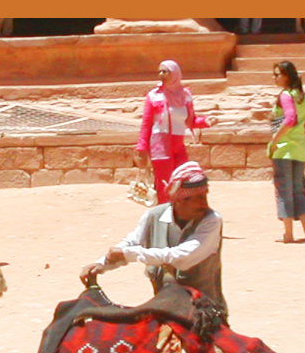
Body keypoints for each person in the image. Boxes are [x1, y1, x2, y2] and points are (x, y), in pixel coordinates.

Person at [80, 161, 226, 315]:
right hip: (166, 309)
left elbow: (182, 258)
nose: (205, 203)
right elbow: (131, 242)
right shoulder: (154, 216)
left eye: (205, 196)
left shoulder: (211, 221)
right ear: (179, 200)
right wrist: (101, 264)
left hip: (205, 313)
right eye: (198, 198)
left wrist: (131, 254)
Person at [135, 60, 212, 204]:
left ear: (175, 73)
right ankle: (164, 215)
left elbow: (190, 121)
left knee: (182, 180)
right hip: (160, 146)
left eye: (165, 71)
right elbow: (146, 124)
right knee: (164, 184)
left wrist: (206, 122)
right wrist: (142, 147)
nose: (161, 75)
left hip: (178, 145)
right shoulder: (154, 96)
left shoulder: (185, 95)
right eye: (159, 71)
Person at [268, 61, 305, 243]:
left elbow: (289, 119)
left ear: (287, 76)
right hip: (299, 148)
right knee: (298, 189)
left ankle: (288, 233)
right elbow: (304, 124)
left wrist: (275, 141)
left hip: (283, 148)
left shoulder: (285, 96)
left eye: (277, 75)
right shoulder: (304, 97)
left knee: (284, 191)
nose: (275, 78)